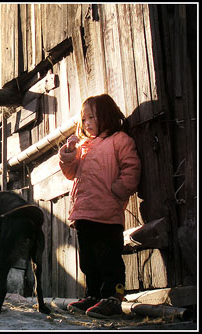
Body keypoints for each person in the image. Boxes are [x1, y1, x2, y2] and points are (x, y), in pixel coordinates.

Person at [59, 94, 141, 319]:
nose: (86, 123)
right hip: (83, 212)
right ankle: (93, 295)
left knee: (108, 258)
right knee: (88, 259)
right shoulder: (84, 146)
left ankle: (113, 297)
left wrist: (119, 190)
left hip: (107, 213)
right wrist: (69, 153)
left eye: (91, 117)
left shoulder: (119, 140)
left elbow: (131, 167)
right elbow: (70, 173)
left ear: (105, 116)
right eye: (83, 119)